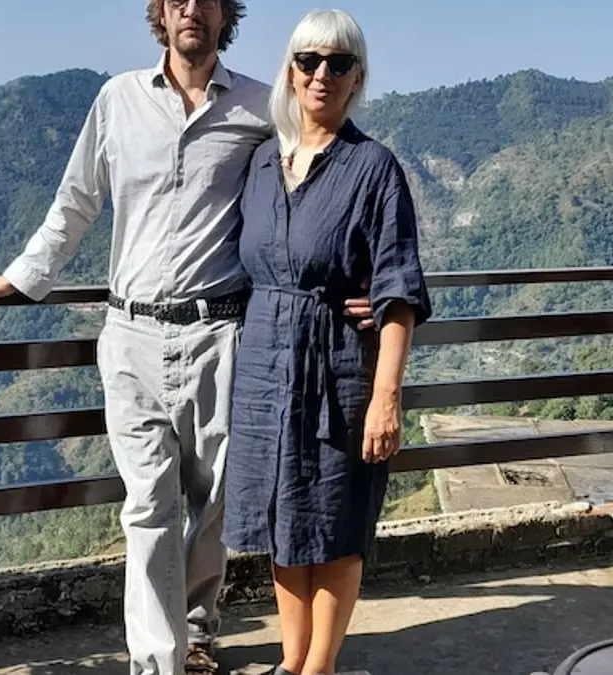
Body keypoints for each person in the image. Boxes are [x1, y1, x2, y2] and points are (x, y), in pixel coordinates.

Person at [0, 2, 379, 673]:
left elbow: (312, 181)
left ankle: (195, 631)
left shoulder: (257, 106)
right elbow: (76, 202)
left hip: (222, 331)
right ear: (160, 13)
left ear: (225, 15)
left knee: (215, 501)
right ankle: (159, 660)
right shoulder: (117, 101)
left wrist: (353, 289)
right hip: (130, 333)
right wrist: (22, 277)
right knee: (149, 504)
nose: (192, 8)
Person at [221, 9, 432, 675]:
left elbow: (398, 292)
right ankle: (292, 660)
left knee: (336, 524)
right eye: (309, 61)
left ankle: (320, 666)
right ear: (291, 70)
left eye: (338, 64)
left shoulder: (374, 168)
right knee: (283, 519)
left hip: (340, 370)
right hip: (263, 366)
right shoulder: (259, 163)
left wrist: (386, 399)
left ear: (356, 78)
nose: (321, 74)